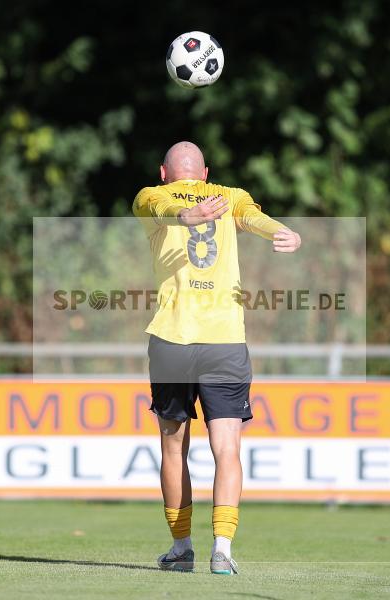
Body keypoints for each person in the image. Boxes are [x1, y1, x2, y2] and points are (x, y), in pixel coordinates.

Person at [132, 141, 301, 575]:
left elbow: (160, 209)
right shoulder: (230, 196)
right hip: (225, 341)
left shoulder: (152, 195)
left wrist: (182, 216)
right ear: (205, 173)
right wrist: (285, 231)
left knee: (174, 445)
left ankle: (181, 546)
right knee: (227, 448)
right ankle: (222, 548)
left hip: (173, 341)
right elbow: (255, 219)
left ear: (164, 172)